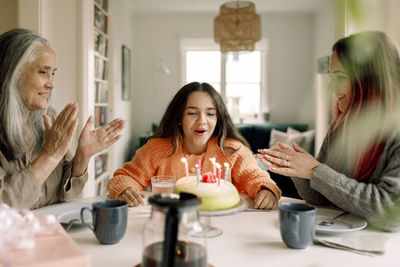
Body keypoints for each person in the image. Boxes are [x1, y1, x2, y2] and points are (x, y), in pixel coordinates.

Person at [257, 31, 400, 231]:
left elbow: (392, 213)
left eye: (340, 77)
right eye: (331, 76)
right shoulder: (341, 125)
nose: (332, 87)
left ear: (370, 80)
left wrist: (314, 170)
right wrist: (297, 168)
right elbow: (320, 197)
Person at [0, 28, 125, 209]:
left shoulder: (48, 118)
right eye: (43, 72)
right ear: (12, 72)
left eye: (53, 73)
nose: (51, 84)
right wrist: (50, 156)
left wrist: (82, 156)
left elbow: (65, 194)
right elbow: (4, 205)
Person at [108, 82, 281, 209]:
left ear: (218, 119)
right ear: (178, 119)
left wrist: (266, 190)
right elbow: (125, 177)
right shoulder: (157, 149)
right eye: (192, 113)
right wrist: (125, 189)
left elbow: (256, 177)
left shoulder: (232, 150)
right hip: (170, 224)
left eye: (210, 114)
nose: (202, 121)